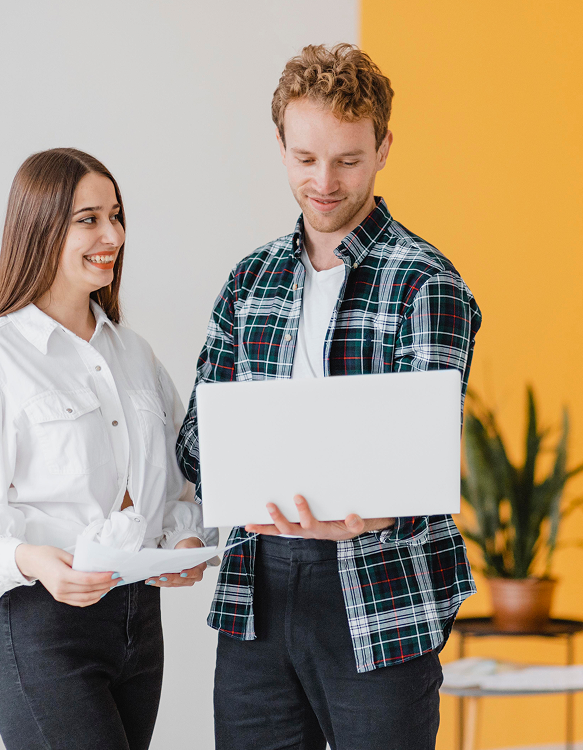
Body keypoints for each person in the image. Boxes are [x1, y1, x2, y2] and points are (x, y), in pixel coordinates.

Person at [176, 44, 481, 750]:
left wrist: (371, 512)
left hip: (377, 594)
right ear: (281, 145)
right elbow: (198, 437)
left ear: (383, 149)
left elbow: (426, 457)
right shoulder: (250, 281)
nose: (324, 180)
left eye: (348, 159)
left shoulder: (425, 282)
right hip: (257, 591)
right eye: (306, 157)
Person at [0, 148, 216, 750]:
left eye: (115, 216)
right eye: (88, 219)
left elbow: (179, 484)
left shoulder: (135, 355)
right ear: (40, 228)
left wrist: (185, 538)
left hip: (139, 626)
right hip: (42, 626)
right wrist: (34, 560)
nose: (111, 234)